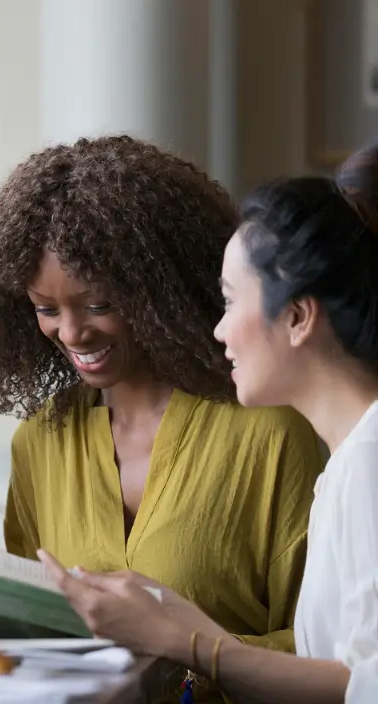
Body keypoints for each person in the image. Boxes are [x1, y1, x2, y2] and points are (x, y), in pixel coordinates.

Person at [0, 136, 325, 700]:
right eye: (46, 309)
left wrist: (186, 654)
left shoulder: (269, 433)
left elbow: (326, 650)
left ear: (160, 288)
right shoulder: (40, 443)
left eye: (99, 304)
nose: (73, 333)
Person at [40, 145, 378, 703]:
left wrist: (188, 641)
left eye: (228, 301)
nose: (217, 331)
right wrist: (176, 616)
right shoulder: (348, 461)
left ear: (296, 317)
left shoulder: (367, 462)